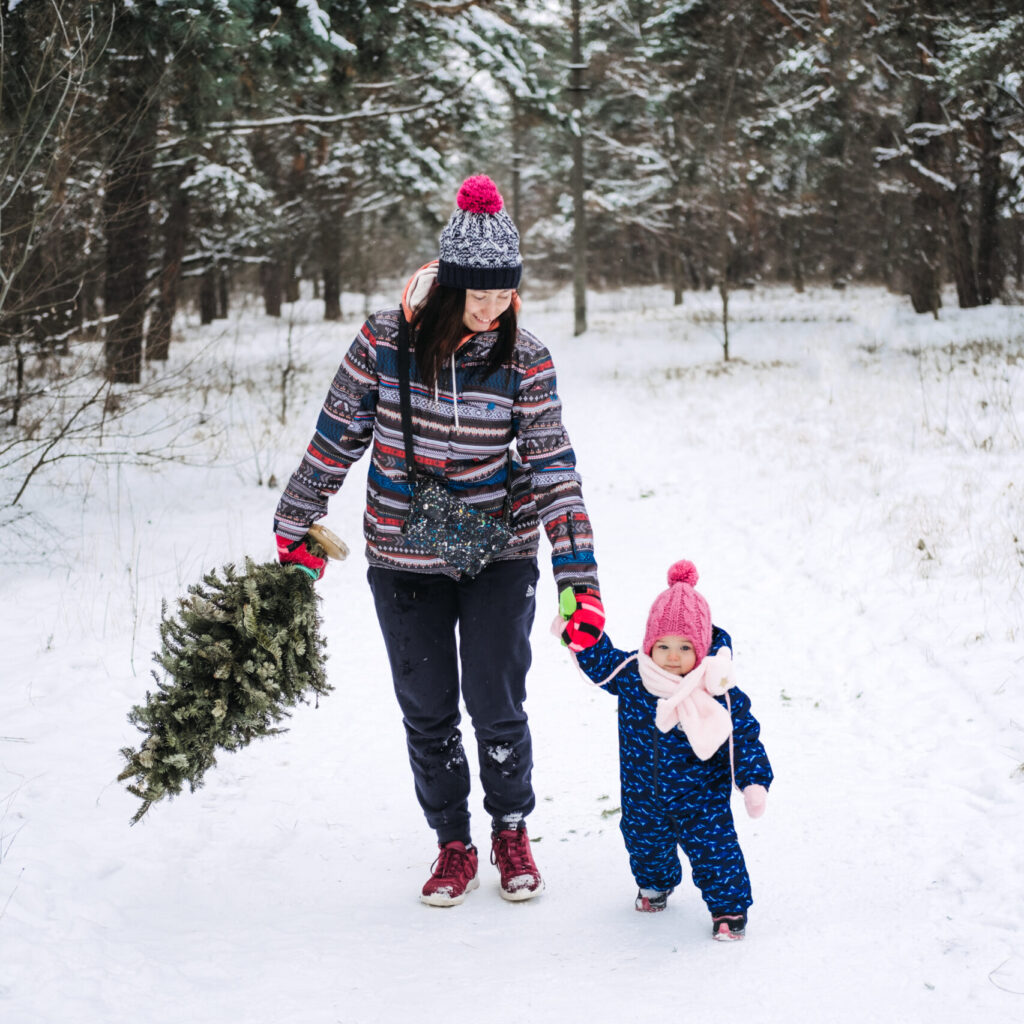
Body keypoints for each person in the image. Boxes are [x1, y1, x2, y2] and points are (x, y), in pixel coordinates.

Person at [273, 174, 605, 906]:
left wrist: (579, 579)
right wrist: (294, 522)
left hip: (500, 548)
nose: (493, 311)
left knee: (495, 699)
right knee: (426, 705)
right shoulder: (383, 343)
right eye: (478, 297)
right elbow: (335, 439)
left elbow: (555, 470)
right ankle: (452, 842)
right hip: (402, 554)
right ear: (448, 285)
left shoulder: (525, 359)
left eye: (504, 296)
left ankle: (510, 826)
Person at [561, 559, 772, 940]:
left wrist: (754, 781)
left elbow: (743, 736)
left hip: (701, 797)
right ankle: (655, 886)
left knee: (715, 851)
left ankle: (728, 908)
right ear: (649, 645)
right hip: (643, 792)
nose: (673, 657)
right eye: (663, 646)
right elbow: (600, 661)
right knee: (644, 842)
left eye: (685, 647)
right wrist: (581, 632)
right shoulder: (633, 676)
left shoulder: (716, 688)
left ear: (702, 647)